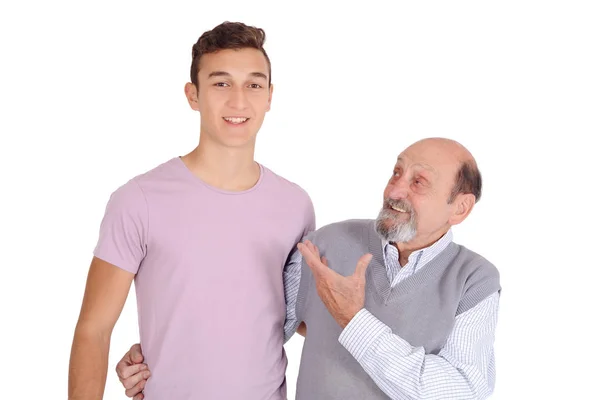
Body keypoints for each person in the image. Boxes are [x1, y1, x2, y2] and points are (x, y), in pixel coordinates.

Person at [118, 138, 501, 400]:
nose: (395, 190)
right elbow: (254, 338)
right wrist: (159, 356)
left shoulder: (475, 279)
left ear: (460, 208)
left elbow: (460, 389)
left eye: (418, 182)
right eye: (396, 172)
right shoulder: (327, 244)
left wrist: (353, 321)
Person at [68, 21, 315, 400]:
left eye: (253, 84)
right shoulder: (139, 200)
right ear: (192, 95)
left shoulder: (295, 205)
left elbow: (295, 317)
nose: (238, 101)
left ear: (269, 96)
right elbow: (93, 330)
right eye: (221, 83)